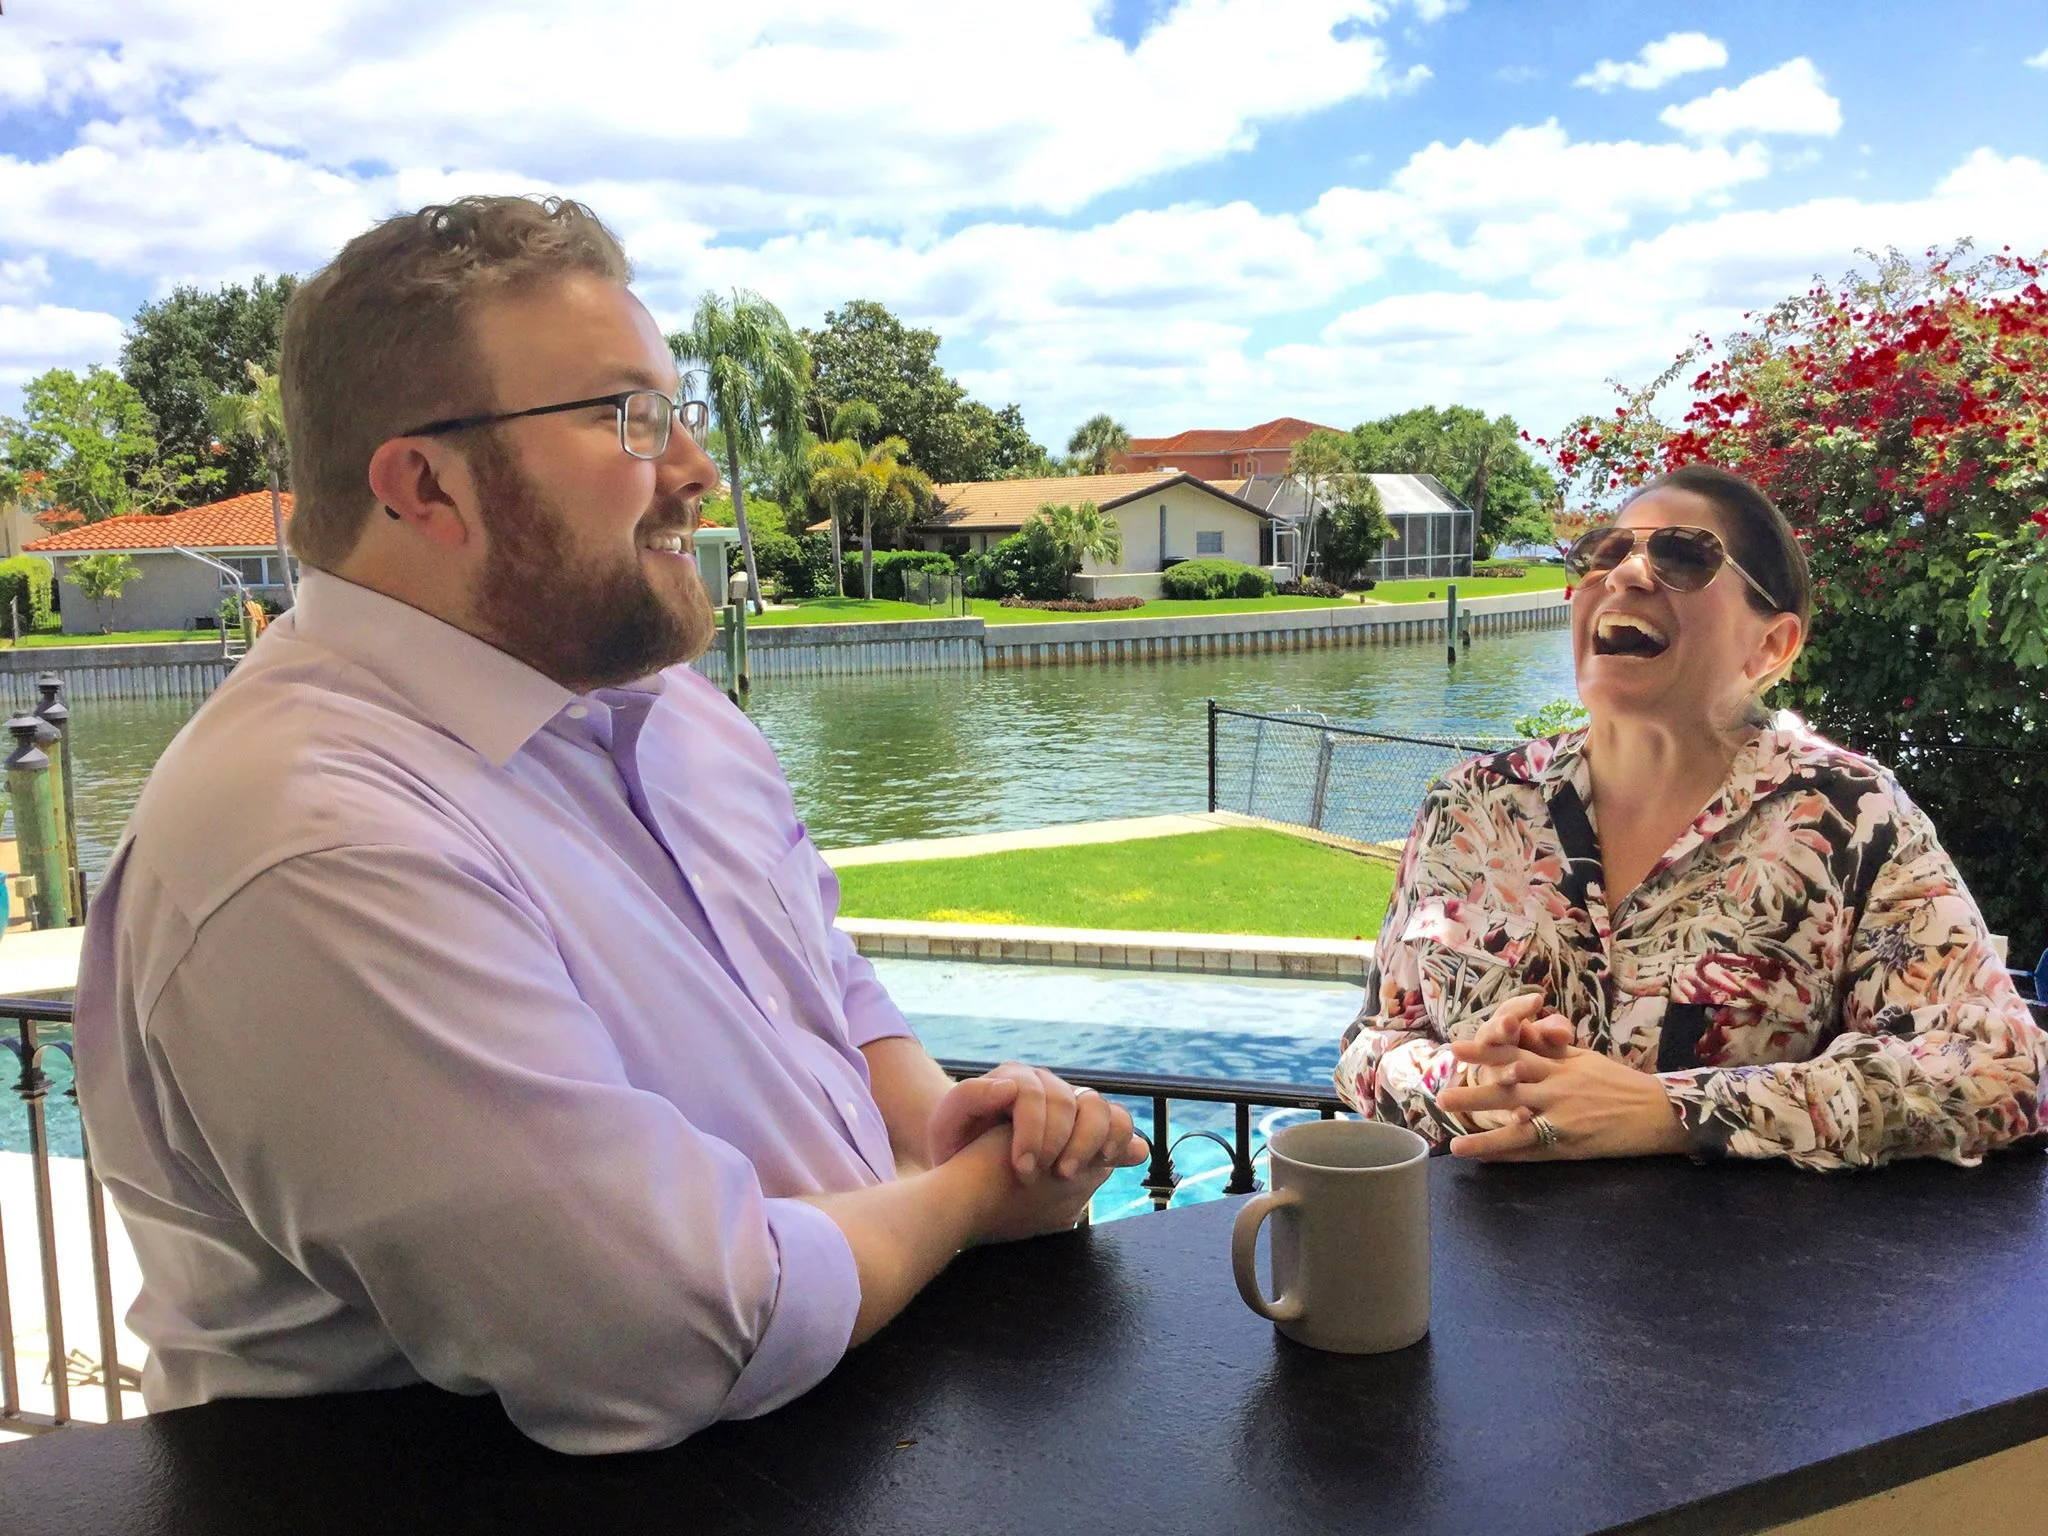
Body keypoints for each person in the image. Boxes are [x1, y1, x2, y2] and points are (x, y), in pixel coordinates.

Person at [72, 196, 1147, 1454]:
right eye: (626, 418)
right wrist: (967, 1202)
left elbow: (818, 973)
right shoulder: (310, 840)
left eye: (677, 412)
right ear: (426, 484)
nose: (696, 470)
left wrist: (936, 1118)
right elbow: (669, 1333)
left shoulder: (667, 707)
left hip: (847, 1435)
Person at [1334, 463, 2046, 1169]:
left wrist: (1674, 1111)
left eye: (1681, 556)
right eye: (1604, 553)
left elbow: (2002, 1070)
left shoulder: (1849, 817)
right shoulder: (1469, 806)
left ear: (1771, 645)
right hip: (1487, 1275)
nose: (1625, 575)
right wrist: (1480, 1088)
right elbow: (1373, 1046)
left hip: (1729, 1278)